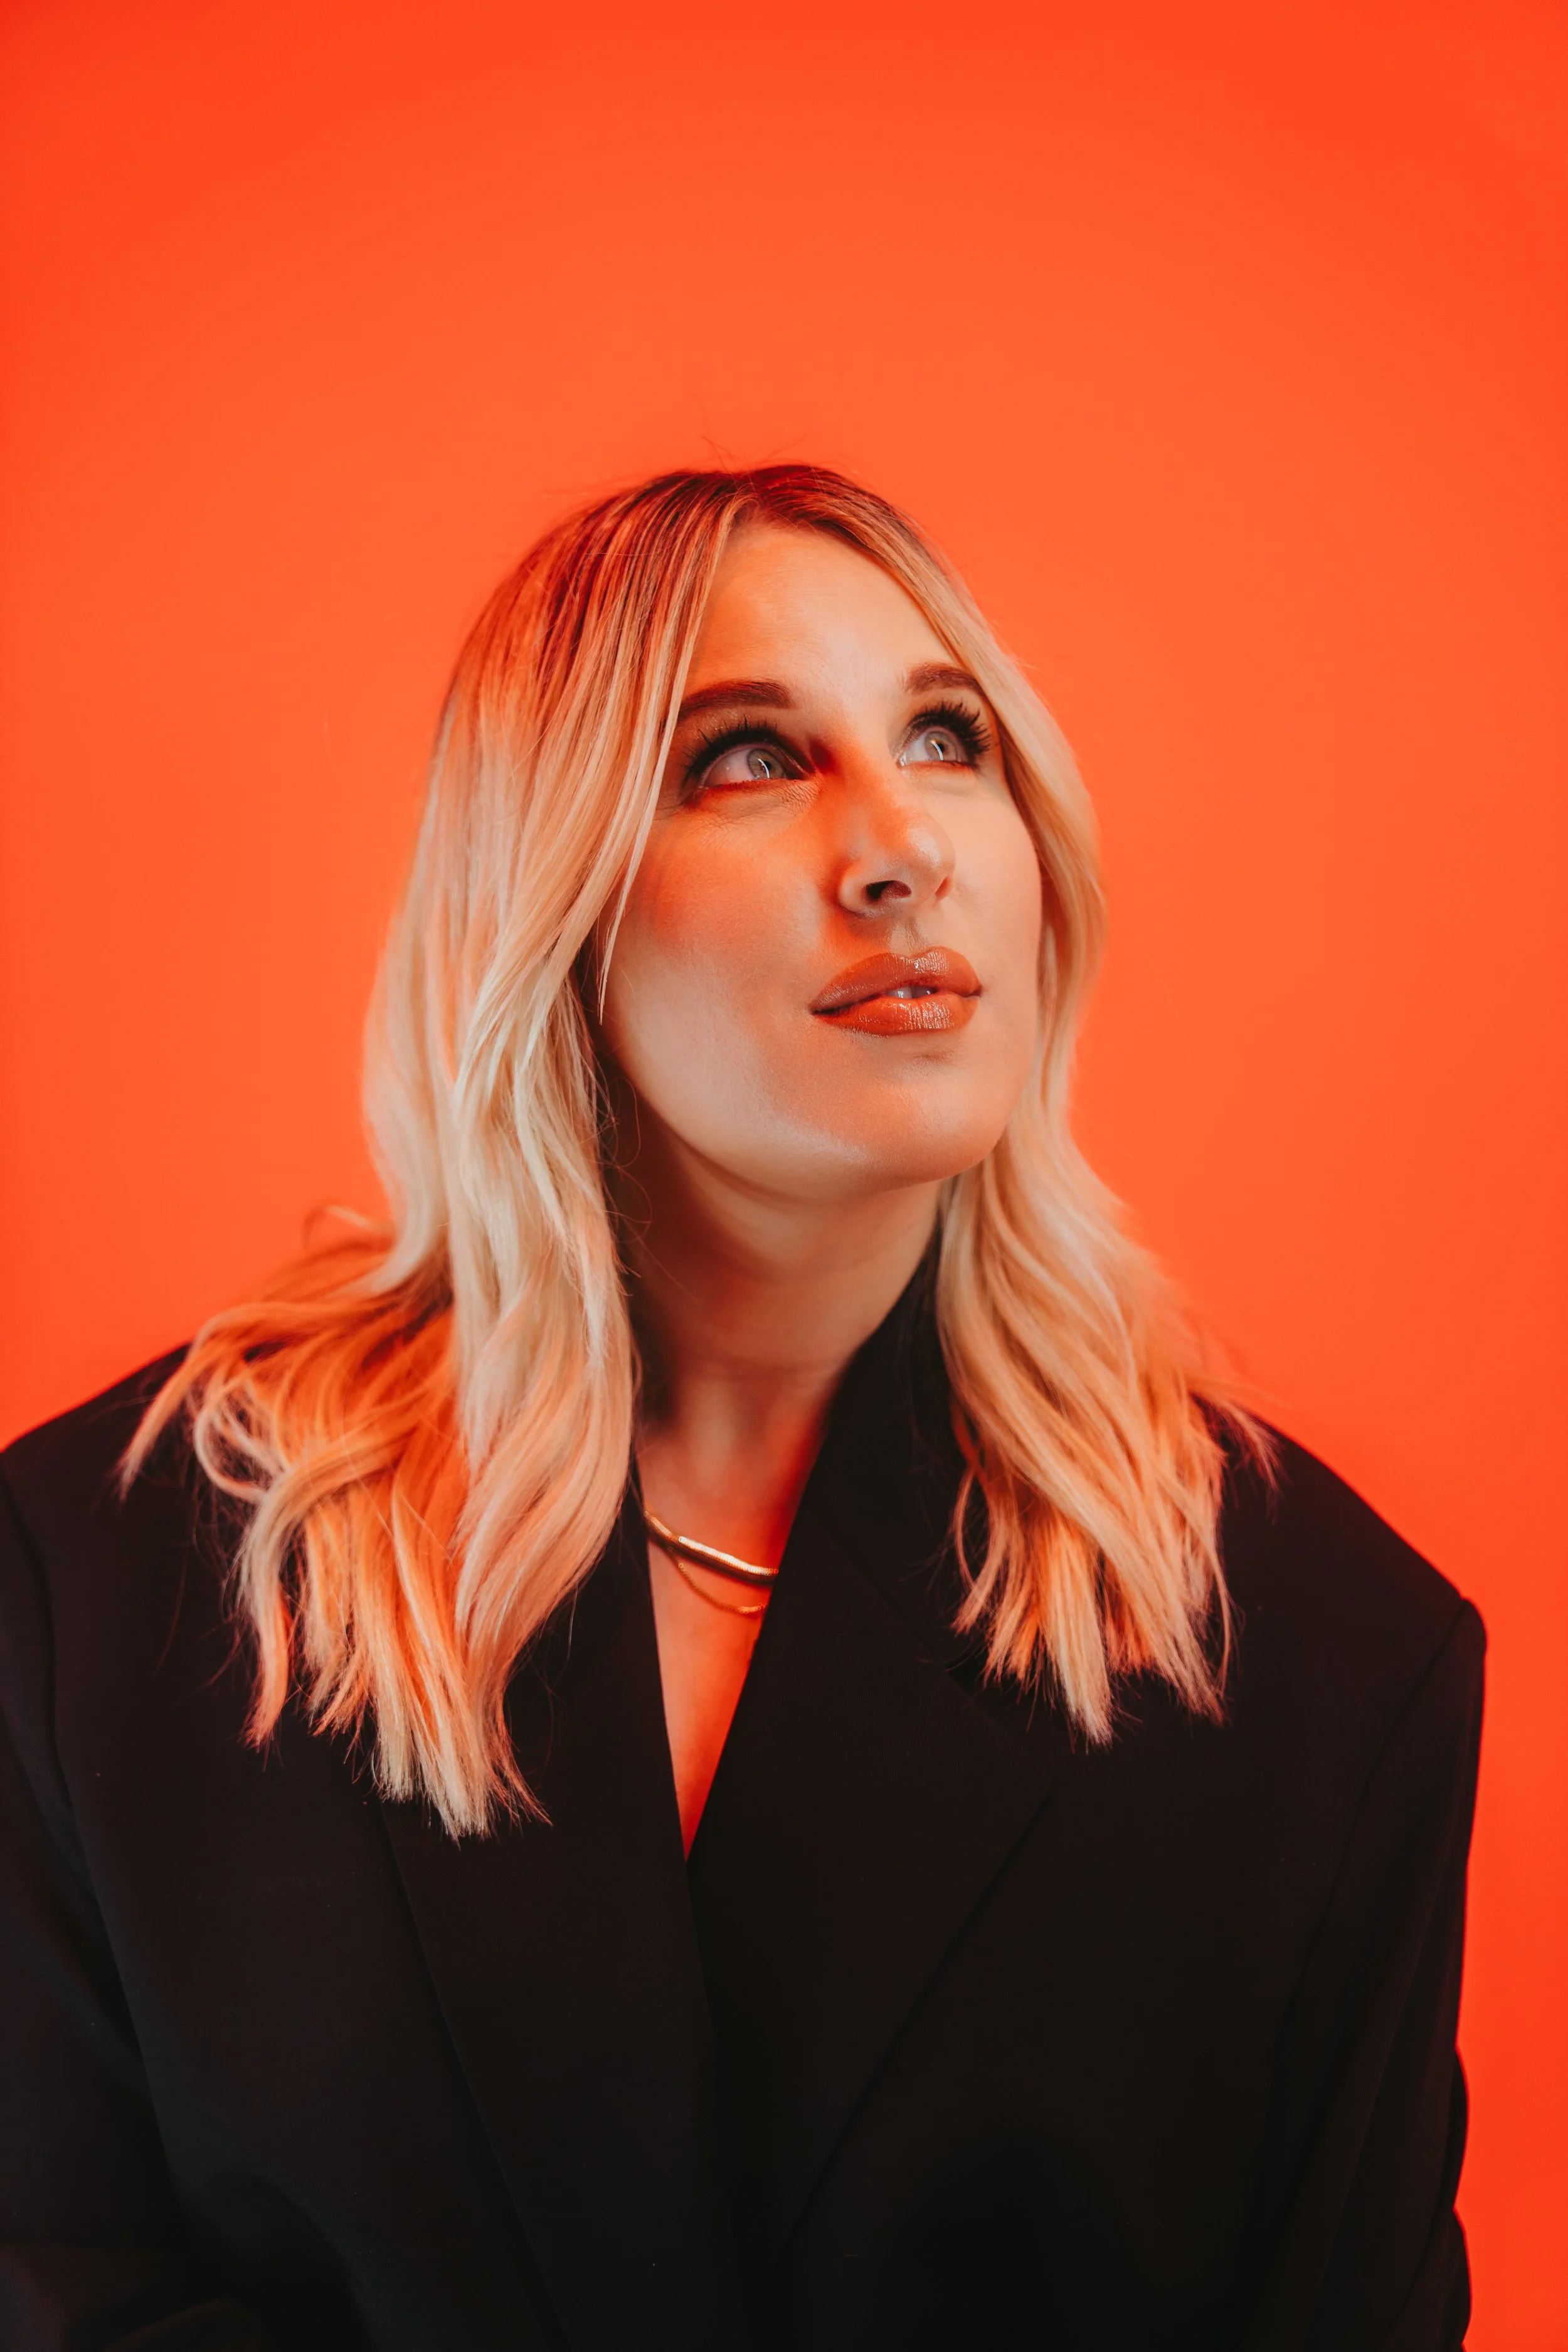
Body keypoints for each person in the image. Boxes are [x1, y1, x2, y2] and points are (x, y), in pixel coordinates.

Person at [0, 467, 1482, 2351]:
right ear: (547, 900)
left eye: (947, 738)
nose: (900, 849)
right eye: (745, 760)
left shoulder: (1319, 1663)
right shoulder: (105, 1585)